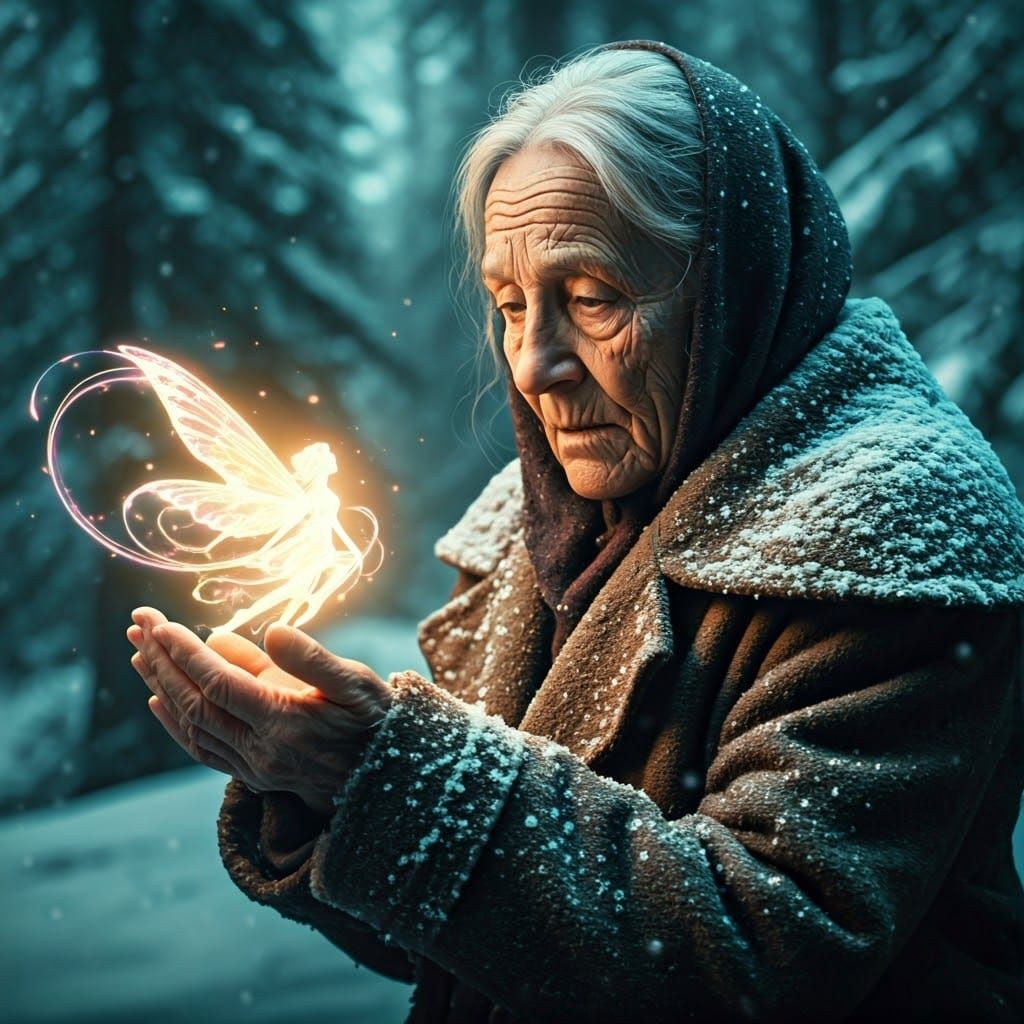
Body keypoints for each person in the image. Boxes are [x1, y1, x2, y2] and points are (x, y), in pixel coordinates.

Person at [126, 40, 1024, 1023]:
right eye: (511, 306)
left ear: (735, 288)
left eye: (592, 298)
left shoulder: (891, 528)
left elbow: (758, 955)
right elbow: (464, 938)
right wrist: (320, 782)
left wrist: (393, 779)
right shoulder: (540, 530)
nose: (533, 364)